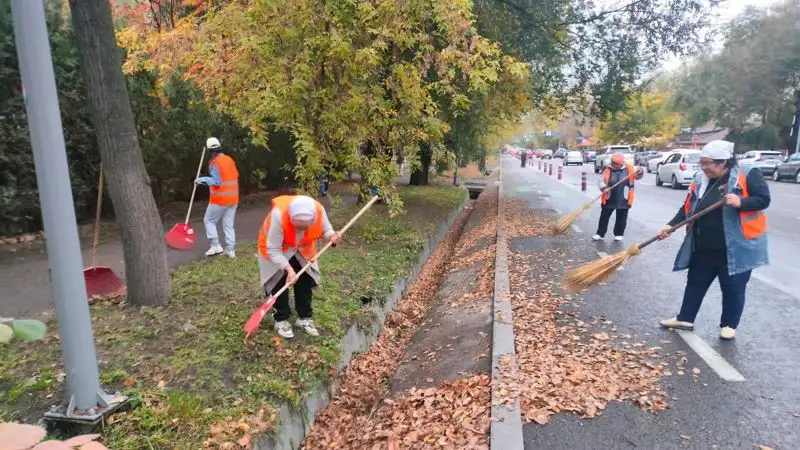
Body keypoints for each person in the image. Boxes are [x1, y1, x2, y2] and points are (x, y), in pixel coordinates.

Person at [658, 140, 770, 340]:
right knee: (695, 283)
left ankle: (728, 325)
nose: (704, 167)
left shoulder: (747, 173)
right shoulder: (701, 178)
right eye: (702, 162)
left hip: (736, 247)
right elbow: (688, 207)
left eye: (708, 163)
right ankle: (685, 318)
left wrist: (741, 202)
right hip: (704, 245)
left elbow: (763, 199)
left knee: (733, 288)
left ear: (723, 162)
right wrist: (670, 225)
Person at [257, 195, 342, 338]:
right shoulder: (279, 215)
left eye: (305, 227)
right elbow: (273, 249)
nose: (300, 231)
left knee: (304, 281)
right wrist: (288, 269)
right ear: (291, 218)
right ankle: (281, 319)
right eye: (297, 227)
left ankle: (304, 318)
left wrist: (333, 237)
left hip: (303, 249)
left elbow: (327, 231)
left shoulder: (319, 211)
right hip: (277, 250)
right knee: (279, 282)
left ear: (312, 219)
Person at [195, 137, 239, 258]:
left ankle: (216, 246)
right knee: (228, 225)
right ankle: (230, 250)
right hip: (233, 199)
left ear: (210, 151)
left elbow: (216, 181)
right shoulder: (229, 159)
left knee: (209, 220)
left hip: (220, 199)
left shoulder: (215, 163)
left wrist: (201, 180)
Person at [592, 153, 643, 241]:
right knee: (604, 216)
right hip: (609, 196)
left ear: (621, 163)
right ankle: (600, 234)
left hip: (624, 197)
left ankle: (619, 234)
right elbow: (601, 181)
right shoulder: (607, 169)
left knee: (622, 217)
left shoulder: (630, 168)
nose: (614, 165)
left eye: (616, 164)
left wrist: (640, 171)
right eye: (613, 163)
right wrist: (604, 188)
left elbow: (638, 176)